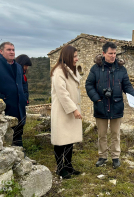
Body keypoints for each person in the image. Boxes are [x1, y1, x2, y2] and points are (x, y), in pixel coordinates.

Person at [85, 42, 134, 169]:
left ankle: (115, 157)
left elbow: (127, 86)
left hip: (116, 106)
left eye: (115, 53)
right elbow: (89, 85)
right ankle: (102, 156)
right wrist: (97, 99)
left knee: (115, 134)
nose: (113, 56)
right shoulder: (95, 68)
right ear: (104, 53)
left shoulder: (121, 69)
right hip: (100, 105)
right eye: (110, 53)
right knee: (102, 134)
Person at [0, 42, 28, 147]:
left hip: (19, 108)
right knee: (4, 138)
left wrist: (24, 98)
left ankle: (20, 157)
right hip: (4, 108)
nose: (12, 52)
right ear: (1, 51)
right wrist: (2, 98)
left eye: (13, 50)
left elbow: (23, 83)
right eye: (9, 50)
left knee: (18, 135)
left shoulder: (18, 66)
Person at [50, 45, 83, 179]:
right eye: (74, 56)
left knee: (69, 139)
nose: (77, 58)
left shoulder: (71, 70)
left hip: (70, 109)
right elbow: (62, 93)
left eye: (77, 56)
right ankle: (60, 167)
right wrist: (74, 109)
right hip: (62, 111)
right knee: (60, 140)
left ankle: (68, 165)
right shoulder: (58, 71)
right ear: (68, 56)